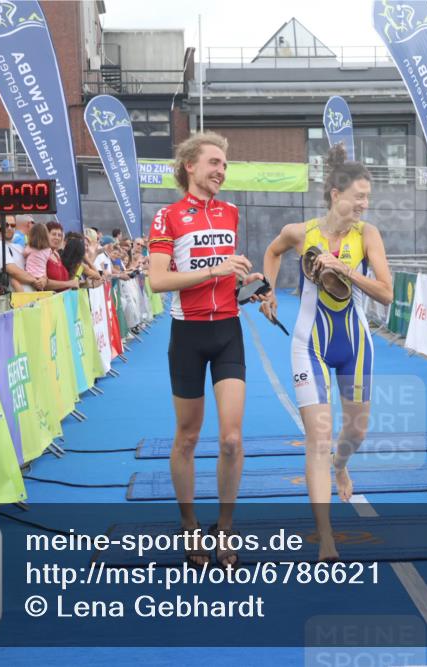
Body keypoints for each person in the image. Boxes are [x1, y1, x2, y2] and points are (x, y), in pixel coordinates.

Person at [260, 144, 393, 561]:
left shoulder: (367, 235)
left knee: (355, 432)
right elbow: (272, 252)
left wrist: (345, 270)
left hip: (354, 343)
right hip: (309, 344)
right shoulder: (301, 232)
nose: (364, 203)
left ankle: (341, 464)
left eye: (368, 197)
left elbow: (386, 294)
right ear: (336, 194)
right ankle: (327, 536)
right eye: (359, 196)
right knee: (317, 438)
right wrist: (267, 291)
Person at [148, 131, 264, 569]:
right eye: (214, 162)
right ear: (190, 166)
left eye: (225, 164)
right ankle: (190, 523)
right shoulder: (167, 218)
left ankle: (226, 528)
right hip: (188, 336)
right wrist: (216, 268)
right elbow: (158, 281)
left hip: (228, 330)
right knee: (189, 436)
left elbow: (224, 279)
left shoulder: (231, 213)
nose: (221, 170)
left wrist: (247, 287)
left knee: (232, 439)